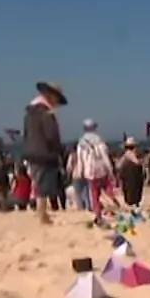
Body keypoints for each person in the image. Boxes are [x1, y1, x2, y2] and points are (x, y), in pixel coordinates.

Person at [22, 81, 68, 211]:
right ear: (50, 96)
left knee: (38, 184)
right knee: (44, 186)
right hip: (45, 153)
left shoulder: (29, 112)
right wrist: (60, 149)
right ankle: (42, 214)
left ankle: (43, 214)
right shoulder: (46, 112)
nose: (56, 103)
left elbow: (25, 133)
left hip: (31, 152)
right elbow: (51, 135)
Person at [69, 119, 111, 212]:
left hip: (89, 170)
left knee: (93, 190)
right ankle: (105, 204)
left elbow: (80, 159)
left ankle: (95, 208)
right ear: (95, 128)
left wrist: (80, 171)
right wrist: (110, 169)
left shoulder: (81, 142)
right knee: (104, 187)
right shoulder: (99, 140)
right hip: (101, 169)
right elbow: (105, 156)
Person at [116, 138, 147, 209]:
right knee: (134, 190)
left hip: (127, 175)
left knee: (129, 191)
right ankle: (134, 205)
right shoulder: (130, 153)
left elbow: (118, 165)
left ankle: (132, 204)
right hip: (132, 175)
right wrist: (143, 161)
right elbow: (137, 162)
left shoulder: (125, 154)